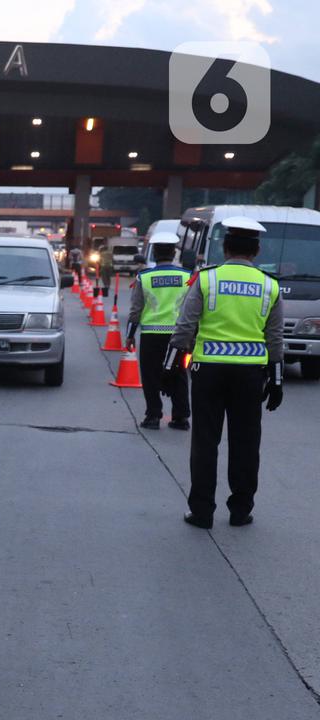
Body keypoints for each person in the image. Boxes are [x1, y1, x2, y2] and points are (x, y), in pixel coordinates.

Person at [168, 216, 283, 529]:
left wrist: (169, 368)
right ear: (256, 251)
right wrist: (277, 380)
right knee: (246, 443)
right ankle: (240, 510)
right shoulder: (269, 285)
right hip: (250, 375)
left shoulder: (207, 279)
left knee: (205, 442)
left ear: (225, 247)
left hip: (208, 372)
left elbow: (184, 327)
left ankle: (202, 512)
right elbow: (274, 339)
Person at [126, 235, 190, 430]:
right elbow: (194, 308)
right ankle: (180, 417)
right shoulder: (188, 276)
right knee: (179, 374)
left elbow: (135, 310)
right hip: (179, 336)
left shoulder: (144, 277)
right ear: (173, 253)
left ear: (154, 254)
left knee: (150, 375)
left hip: (151, 335)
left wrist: (129, 335)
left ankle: (153, 416)